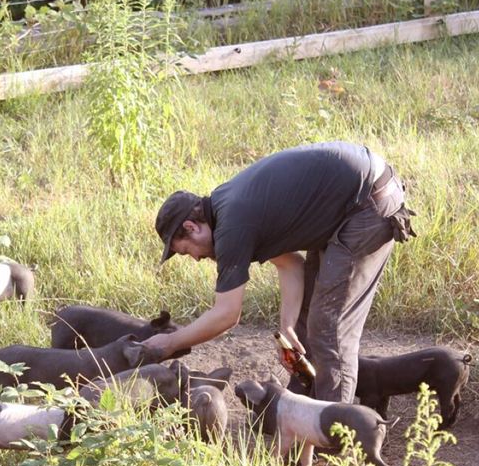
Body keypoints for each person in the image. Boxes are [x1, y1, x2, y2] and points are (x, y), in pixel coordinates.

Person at [143, 141, 416, 404]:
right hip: (349, 202)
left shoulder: (231, 228)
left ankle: (332, 432)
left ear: (191, 227)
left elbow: (227, 314)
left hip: (367, 204)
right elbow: (290, 264)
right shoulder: (227, 209)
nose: (196, 258)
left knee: (328, 330)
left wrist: (169, 343)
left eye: (185, 250)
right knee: (304, 325)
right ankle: (297, 411)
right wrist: (287, 323)